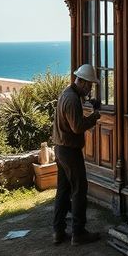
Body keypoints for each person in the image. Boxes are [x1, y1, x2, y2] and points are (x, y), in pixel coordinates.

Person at [52, 63, 102, 246]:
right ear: (80, 81)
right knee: (79, 190)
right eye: (88, 85)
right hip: (69, 151)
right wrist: (94, 117)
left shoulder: (67, 94)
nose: (89, 89)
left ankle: (58, 231)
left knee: (63, 191)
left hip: (60, 148)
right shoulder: (72, 100)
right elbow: (77, 126)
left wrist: (89, 105)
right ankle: (78, 233)